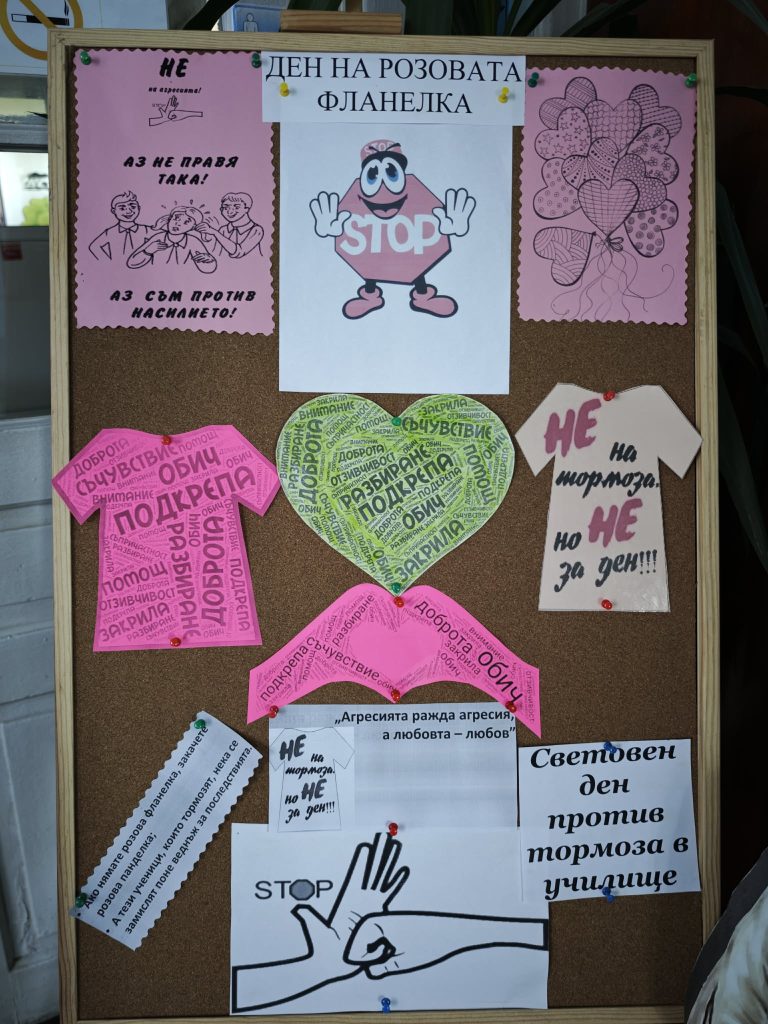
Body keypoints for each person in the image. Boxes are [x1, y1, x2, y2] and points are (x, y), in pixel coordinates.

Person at [126, 206, 217, 273]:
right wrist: (148, 251)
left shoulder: (193, 241)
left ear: (192, 227)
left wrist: (209, 261)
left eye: (186, 222)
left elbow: (208, 269)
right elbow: (131, 263)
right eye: (176, 218)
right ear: (169, 219)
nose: (178, 223)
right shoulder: (158, 237)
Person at [88, 191, 152, 261]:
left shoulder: (145, 229)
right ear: (114, 211)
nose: (129, 211)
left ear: (139, 208)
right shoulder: (110, 232)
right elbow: (94, 246)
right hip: (115, 266)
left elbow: (159, 237)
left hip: (141, 264)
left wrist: (148, 252)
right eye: (122, 208)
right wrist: (107, 262)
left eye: (133, 207)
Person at [202, 192, 264, 258]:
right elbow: (217, 252)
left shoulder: (256, 230)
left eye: (237, 207)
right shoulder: (224, 229)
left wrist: (215, 232)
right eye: (226, 207)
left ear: (246, 209)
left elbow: (239, 252)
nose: (230, 211)